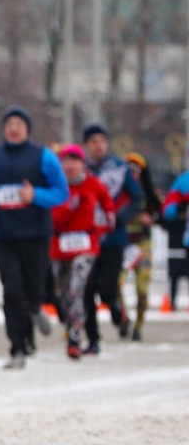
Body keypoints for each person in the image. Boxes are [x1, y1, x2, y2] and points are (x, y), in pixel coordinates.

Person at [0, 107, 68, 369]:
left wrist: (35, 196)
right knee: (12, 291)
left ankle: (36, 310)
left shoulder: (43, 156)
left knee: (32, 288)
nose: (14, 127)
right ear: (4, 128)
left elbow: (61, 192)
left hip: (35, 234)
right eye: (9, 123)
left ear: (27, 128)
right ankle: (17, 346)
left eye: (19, 123)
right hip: (4, 235)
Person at [80, 124, 143, 349]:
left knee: (107, 289)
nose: (98, 146)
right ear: (87, 145)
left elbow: (137, 197)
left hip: (113, 238)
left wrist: (120, 217)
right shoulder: (80, 170)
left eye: (102, 141)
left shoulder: (119, 168)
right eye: (94, 141)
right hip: (86, 239)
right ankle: (93, 340)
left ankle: (119, 315)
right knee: (87, 290)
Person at [49, 144, 115, 359]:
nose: (69, 166)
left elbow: (107, 205)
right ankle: (72, 327)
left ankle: (75, 339)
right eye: (65, 161)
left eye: (73, 161)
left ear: (82, 163)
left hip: (86, 247)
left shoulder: (94, 185)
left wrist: (106, 223)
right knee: (62, 294)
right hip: (60, 248)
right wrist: (70, 207)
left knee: (75, 290)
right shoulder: (56, 188)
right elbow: (53, 221)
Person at [119, 151, 164, 342]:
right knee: (115, 285)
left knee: (142, 289)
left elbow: (162, 216)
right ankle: (122, 318)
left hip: (143, 245)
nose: (133, 174)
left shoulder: (150, 194)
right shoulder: (118, 193)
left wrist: (151, 218)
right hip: (122, 245)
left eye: (137, 170)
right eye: (130, 170)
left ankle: (138, 325)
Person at [163, 168, 189, 311]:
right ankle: (172, 302)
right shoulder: (182, 184)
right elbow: (168, 214)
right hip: (178, 240)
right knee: (175, 274)